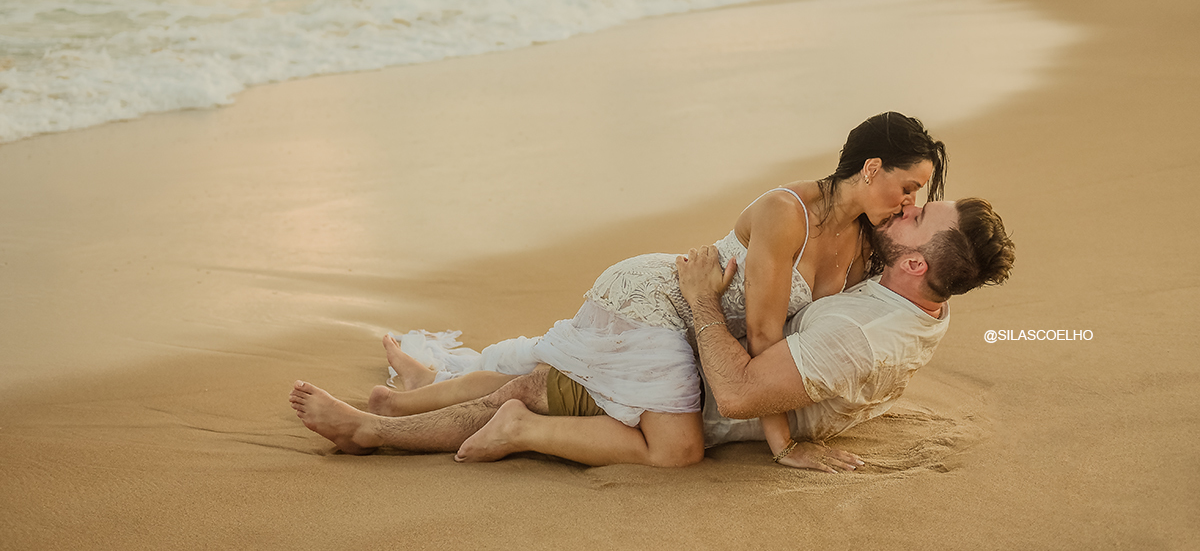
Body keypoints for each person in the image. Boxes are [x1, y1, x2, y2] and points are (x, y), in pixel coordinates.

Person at [374, 111, 945, 466]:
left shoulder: (869, 239)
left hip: (705, 331)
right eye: (908, 185)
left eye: (919, 193)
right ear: (871, 168)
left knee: (545, 375)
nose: (911, 202)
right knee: (676, 450)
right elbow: (767, 336)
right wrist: (785, 446)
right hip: (661, 300)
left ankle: (412, 390)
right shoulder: (786, 213)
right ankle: (407, 422)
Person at [288, 196, 1014, 471]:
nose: (905, 207)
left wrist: (703, 300)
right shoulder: (920, 303)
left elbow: (738, 393)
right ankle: (419, 389)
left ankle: (373, 428)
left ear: (918, 261)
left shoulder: (858, 332)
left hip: (692, 385)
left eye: (918, 215)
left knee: (537, 387)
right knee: (539, 357)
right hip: (660, 333)